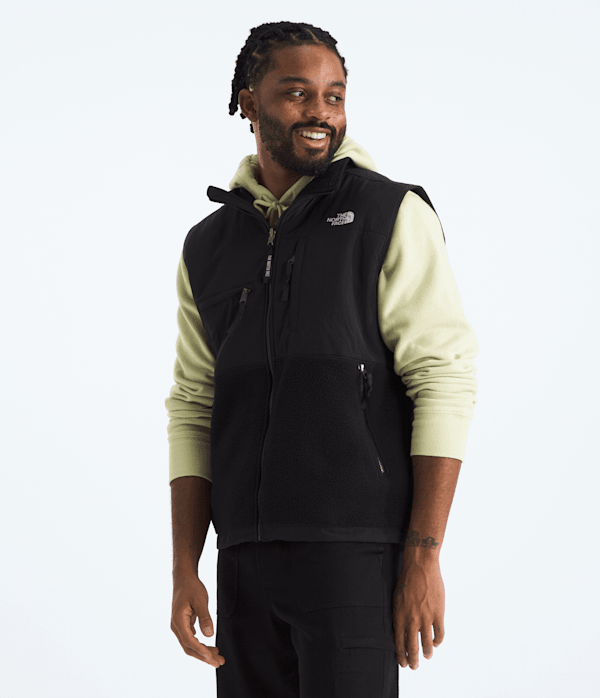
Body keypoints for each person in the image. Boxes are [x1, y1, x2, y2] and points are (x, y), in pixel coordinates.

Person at [165, 21, 479, 698]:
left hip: (353, 554)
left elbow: (443, 379)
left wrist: (423, 555)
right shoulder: (208, 245)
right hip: (242, 560)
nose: (321, 112)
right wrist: (185, 566)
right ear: (249, 103)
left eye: (334, 95)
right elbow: (194, 404)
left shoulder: (389, 213)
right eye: (297, 93)